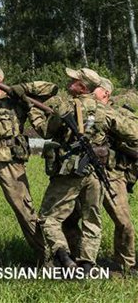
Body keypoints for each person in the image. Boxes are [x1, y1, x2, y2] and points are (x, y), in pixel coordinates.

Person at [26, 67, 138, 273]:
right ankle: (87, 265)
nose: (69, 83)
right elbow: (134, 133)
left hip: (70, 173)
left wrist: (32, 109)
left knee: (48, 218)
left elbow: (45, 131)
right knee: (92, 220)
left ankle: (64, 256)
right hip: (96, 173)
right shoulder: (105, 111)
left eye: (74, 80)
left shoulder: (65, 106)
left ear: (82, 86)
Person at [60, 77, 138, 275]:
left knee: (124, 223)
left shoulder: (117, 114)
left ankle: (125, 265)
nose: (91, 90)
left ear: (106, 93)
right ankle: (81, 257)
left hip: (111, 174)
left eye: (96, 88)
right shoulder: (79, 108)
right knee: (68, 219)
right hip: (82, 174)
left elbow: (133, 137)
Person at [0, 65, 44, 264]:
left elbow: (49, 88)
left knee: (25, 211)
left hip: (11, 164)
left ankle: (44, 256)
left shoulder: (15, 101)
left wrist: (23, 88)